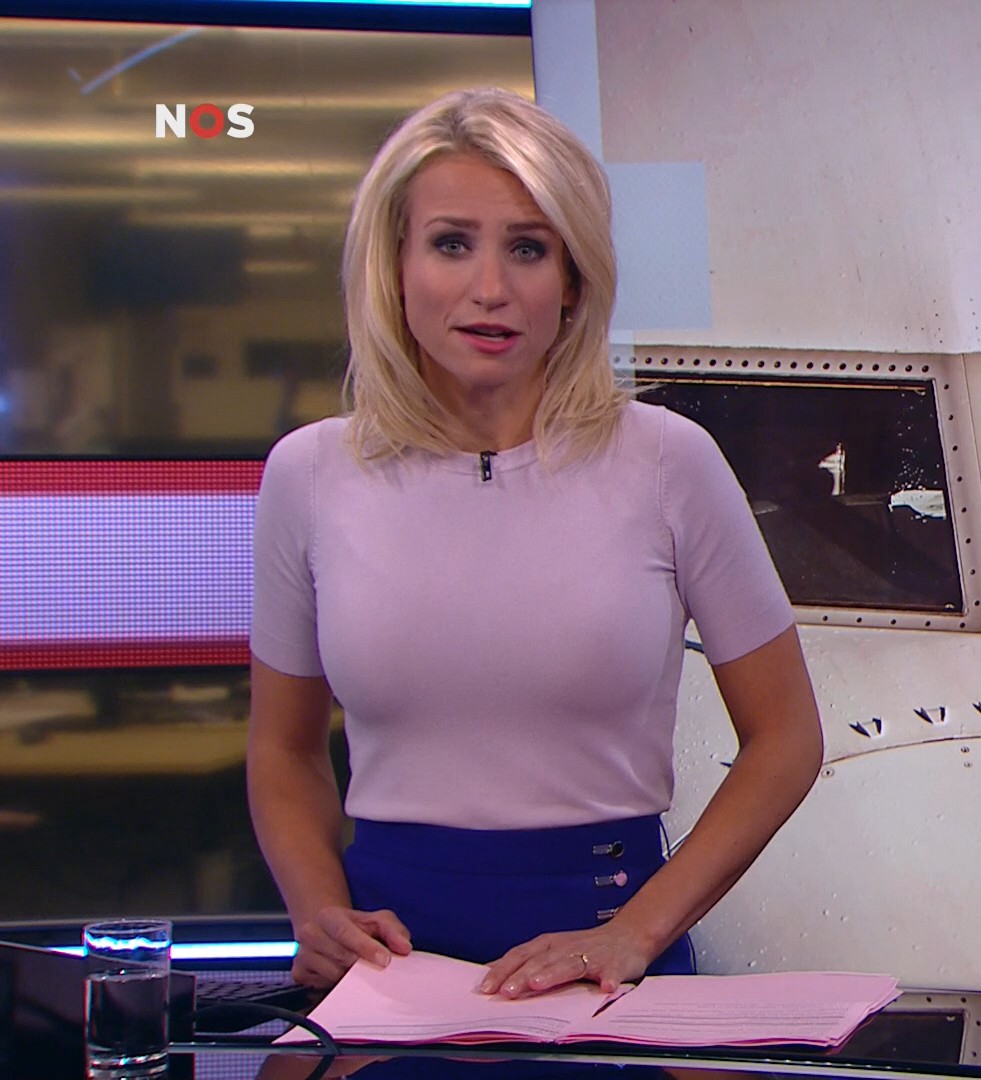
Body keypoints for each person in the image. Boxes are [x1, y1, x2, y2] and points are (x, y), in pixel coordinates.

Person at [245, 85, 824, 1031]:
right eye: (451, 244)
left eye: (527, 247)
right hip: (384, 976)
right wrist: (317, 912)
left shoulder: (669, 462)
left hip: (610, 972)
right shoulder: (309, 475)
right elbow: (283, 748)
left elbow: (788, 739)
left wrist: (634, 933)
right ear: (395, 266)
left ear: (573, 279)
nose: (490, 288)